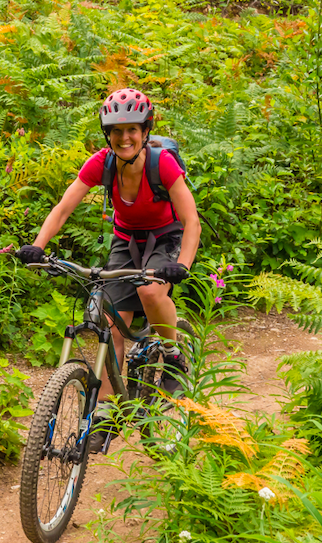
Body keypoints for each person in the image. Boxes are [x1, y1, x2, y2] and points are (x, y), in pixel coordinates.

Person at [16, 88, 201, 452]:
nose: (124, 137)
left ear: (145, 130)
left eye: (132, 129)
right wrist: (38, 247)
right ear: (108, 134)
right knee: (108, 319)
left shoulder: (161, 164)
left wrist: (181, 265)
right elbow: (63, 207)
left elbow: (192, 220)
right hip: (125, 239)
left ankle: (173, 351)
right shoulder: (101, 163)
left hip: (166, 237)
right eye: (116, 131)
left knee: (150, 290)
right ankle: (109, 410)